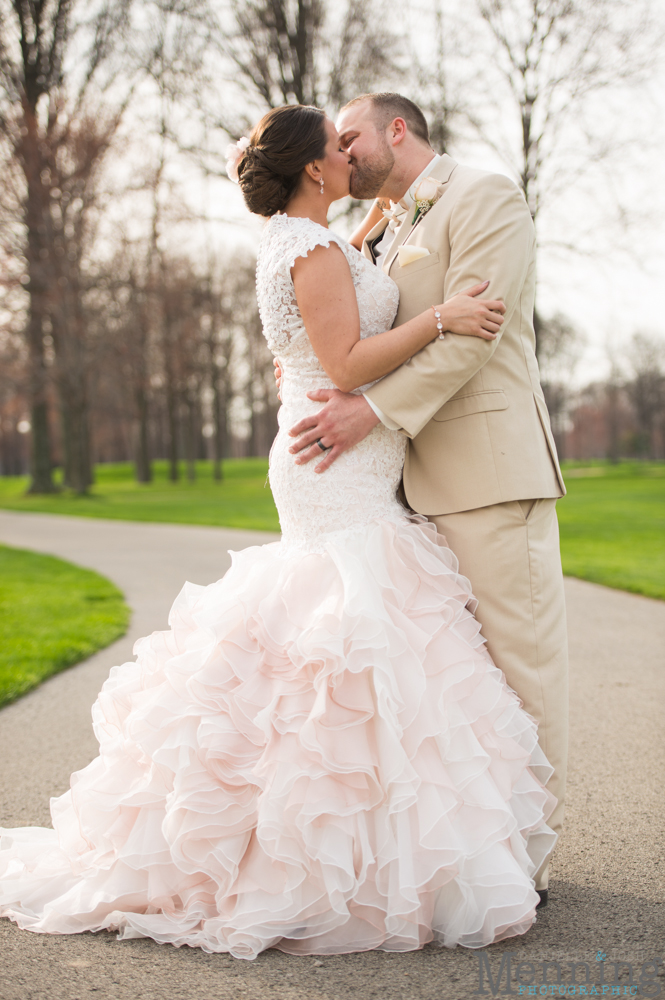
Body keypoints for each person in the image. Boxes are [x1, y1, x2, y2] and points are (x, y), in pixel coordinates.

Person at [0, 103, 556, 960]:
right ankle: (350, 863)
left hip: (356, 458)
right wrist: (439, 317)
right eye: (336, 146)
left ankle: (381, 851)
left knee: (355, 653)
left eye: (354, 135)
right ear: (311, 170)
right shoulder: (313, 245)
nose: (346, 152)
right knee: (346, 644)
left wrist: (332, 346)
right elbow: (341, 362)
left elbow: (320, 339)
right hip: (339, 461)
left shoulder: (333, 234)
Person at [282, 93, 569, 906]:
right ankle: (470, 854)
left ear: (396, 130)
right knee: (457, 684)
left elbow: (472, 342)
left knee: (518, 671)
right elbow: (350, 335)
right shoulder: (372, 228)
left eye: (351, 137)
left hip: (484, 473)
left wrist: (367, 409)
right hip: (398, 489)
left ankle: (527, 860)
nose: (339, 153)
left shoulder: (483, 195)